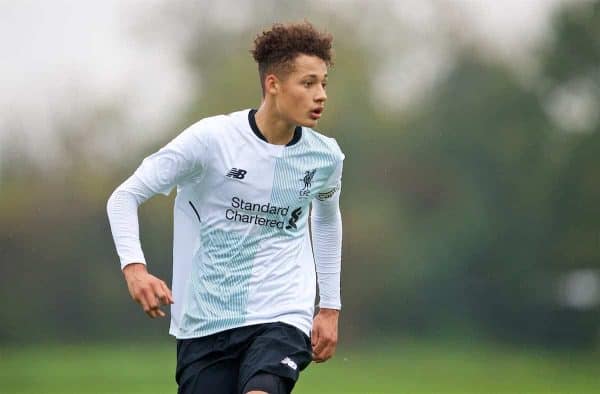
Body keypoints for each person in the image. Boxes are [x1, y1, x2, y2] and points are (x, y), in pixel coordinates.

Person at [107, 21, 344, 394]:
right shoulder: (212, 140)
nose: (321, 95)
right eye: (308, 83)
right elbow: (124, 196)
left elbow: (327, 219)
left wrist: (329, 306)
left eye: (324, 83)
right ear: (273, 84)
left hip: (282, 315)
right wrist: (135, 268)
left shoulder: (325, 157)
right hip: (206, 322)